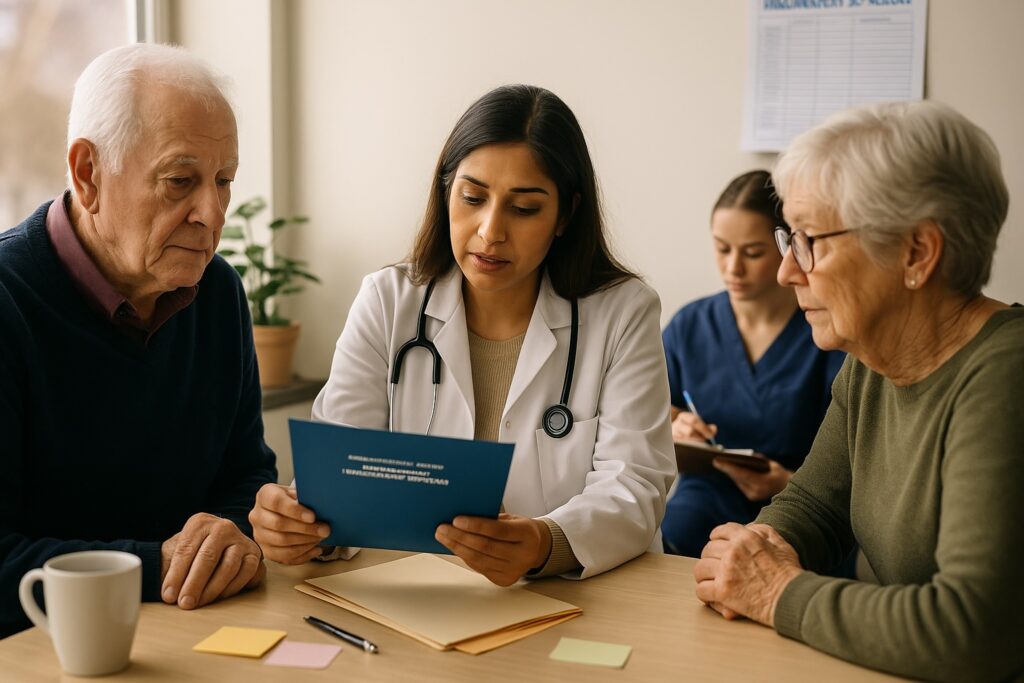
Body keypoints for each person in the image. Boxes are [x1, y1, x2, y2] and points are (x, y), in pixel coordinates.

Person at [249, 85, 675, 585]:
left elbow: (635, 484)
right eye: (472, 198)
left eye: (524, 209)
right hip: (416, 593)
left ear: (565, 215)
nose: (490, 231)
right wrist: (298, 527)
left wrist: (546, 542)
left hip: (576, 601)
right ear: (445, 192)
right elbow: (339, 476)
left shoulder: (622, 312)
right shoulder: (388, 301)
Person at [693, 101, 1024, 682]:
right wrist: (758, 549)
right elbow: (815, 506)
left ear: (916, 253)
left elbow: (972, 631)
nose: (787, 272)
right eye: (787, 238)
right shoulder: (874, 357)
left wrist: (777, 593)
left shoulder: (1006, 375)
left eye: (810, 241)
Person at [0, 44, 277, 638]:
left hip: (188, 638)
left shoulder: (218, 292)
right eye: (181, 181)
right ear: (88, 175)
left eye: (223, 180)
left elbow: (246, 478)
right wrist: (159, 565)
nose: (212, 212)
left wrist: (234, 536)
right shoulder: (8, 304)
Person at [660, 171, 843, 558]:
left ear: (786, 246)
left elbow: (854, 457)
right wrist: (676, 422)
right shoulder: (690, 325)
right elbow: (647, 412)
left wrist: (787, 484)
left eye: (753, 252)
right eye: (722, 248)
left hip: (798, 504)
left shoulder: (826, 332)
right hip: (702, 501)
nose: (733, 268)